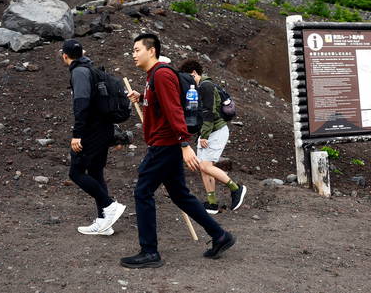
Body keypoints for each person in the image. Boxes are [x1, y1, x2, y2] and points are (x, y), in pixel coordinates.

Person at [121, 33, 236, 268]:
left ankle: (149, 252)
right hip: (168, 144)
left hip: (166, 144)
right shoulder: (153, 76)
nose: (133, 54)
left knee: (142, 192)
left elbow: (174, 110)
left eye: (136, 50)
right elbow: (162, 105)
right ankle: (220, 235)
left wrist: (184, 144)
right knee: (180, 195)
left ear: (151, 51)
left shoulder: (161, 75)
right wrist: (142, 96)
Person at [60, 39, 126, 236]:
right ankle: (104, 222)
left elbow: (82, 104)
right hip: (104, 129)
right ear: (83, 52)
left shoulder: (79, 72)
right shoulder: (91, 69)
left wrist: (77, 134)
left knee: (76, 172)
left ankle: (109, 206)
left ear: (65, 56)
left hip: (92, 130)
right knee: (96, 172)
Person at [179, 60, 246, 214]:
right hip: (207, 132)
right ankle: (212, 203)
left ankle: (236, 188)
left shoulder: (206, 86)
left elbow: (208, 113)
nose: (186, 81)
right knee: (204, 168)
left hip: (216, 131)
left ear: (194, 73)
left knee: (205, 166)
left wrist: (204, 135)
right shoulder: (197, 87)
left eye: (188, 77)